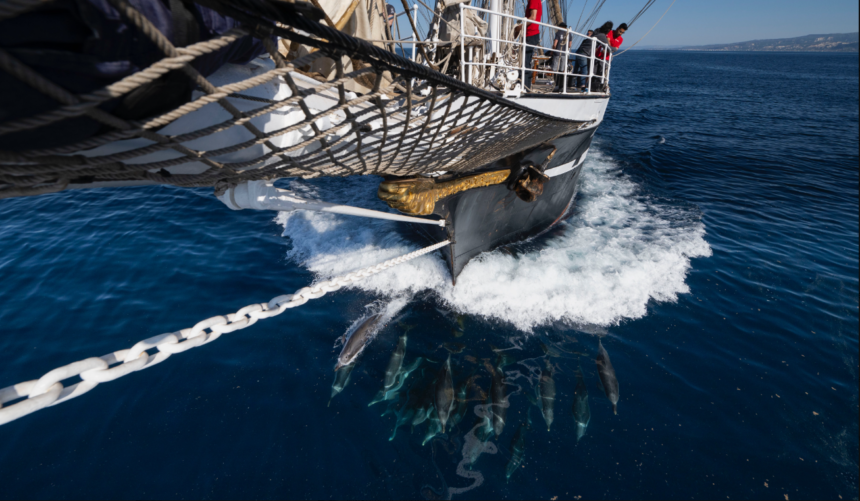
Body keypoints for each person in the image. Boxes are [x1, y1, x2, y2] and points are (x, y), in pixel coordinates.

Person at [523, 0, 542, 91]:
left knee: (525, 62)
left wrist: (519, 27)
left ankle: (525, 87)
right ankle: (525, 86)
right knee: (526, 62)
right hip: (531, 35)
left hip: (530, 35)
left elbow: (533, 17)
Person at [550, 23, 570, 92]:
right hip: (564, 54)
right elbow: (569, 45)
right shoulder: (569, 34)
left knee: (556, 70)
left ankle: (556, 85)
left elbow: (555, 44)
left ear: (561, 27)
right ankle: (561, 87)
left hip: (557, 53)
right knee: (562, 70)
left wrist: (552, 52)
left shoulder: (558, 33)